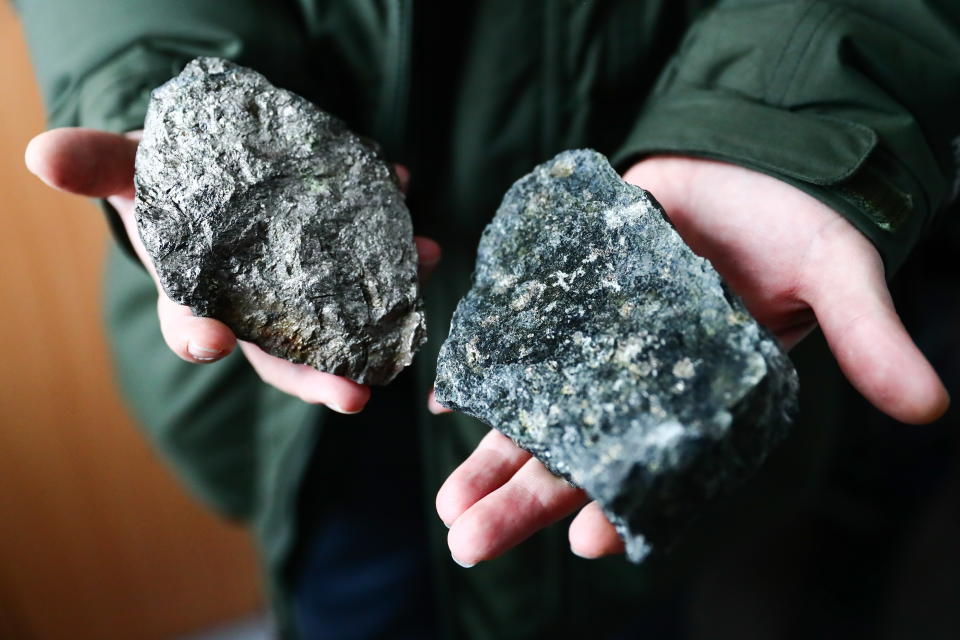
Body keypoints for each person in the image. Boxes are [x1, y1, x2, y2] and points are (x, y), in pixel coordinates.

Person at [16, 1, 960, 638]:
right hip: (310, 432)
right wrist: (144, 74)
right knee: (351, 590)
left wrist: (787, 120)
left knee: (632, 593)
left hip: (677, 157)